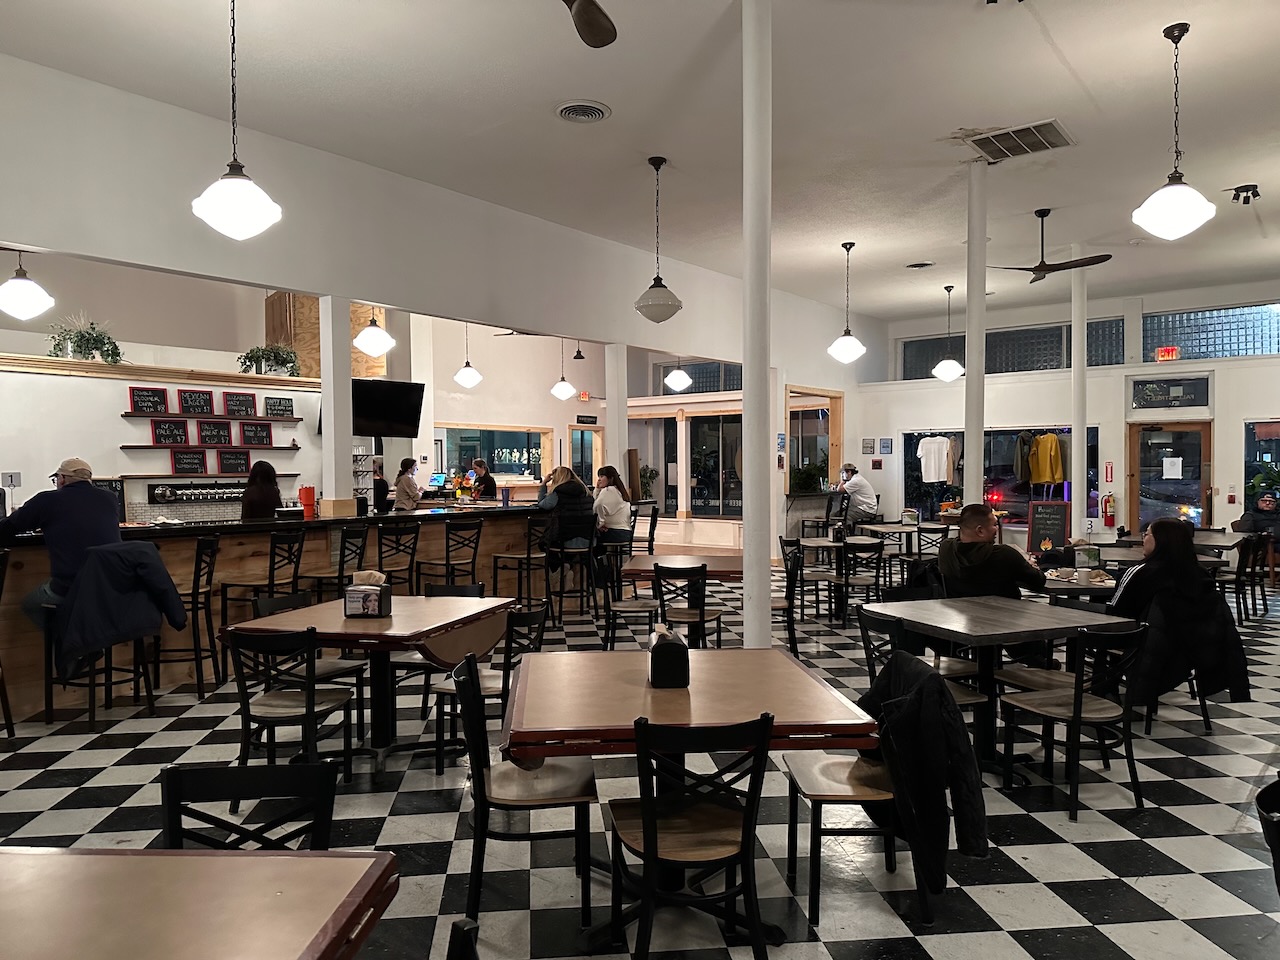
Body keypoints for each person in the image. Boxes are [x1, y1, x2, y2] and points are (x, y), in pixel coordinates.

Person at [0, 457, 121, 629]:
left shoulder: (47, 500)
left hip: (71, 586)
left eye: (56, 479)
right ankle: (82, 645)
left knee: (31, 604)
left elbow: (9, 527)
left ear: (62, 479)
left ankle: (72, 648)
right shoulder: (109, 498)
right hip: (110, 584)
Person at [1109, 517, 1214, 619]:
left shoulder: (1138, 574)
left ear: (1160, 540)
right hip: (1201, 636)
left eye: (1146, 534)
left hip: (1147, 636)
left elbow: (1117, 615)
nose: (1143, 540)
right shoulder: (1202, 574)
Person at [938, 502, 1045, 599]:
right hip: (1004, 616)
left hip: (960, 614)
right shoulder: (1004, 555)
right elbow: (1038, 582)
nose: (997, 529)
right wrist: (1029, 566)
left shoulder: (947, 549)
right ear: (980, 531)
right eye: (994, 525)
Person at [538, 465, 595, 564]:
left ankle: (562, 571)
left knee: (545, 543)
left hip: (566, 541)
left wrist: (543, 484)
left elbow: (543, 504)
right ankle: (574, 570)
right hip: (589, 540)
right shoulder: (587, 494)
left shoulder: (558, 493)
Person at [593, 465, 632, 547]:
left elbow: (597, 505)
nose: (599, 479)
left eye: (602, 476)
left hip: (615, 532)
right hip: (625, 532)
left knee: (589, 537)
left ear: (610, 478)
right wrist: (597, 489)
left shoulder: (608, 490)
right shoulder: (619, 491)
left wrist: (599, 524)